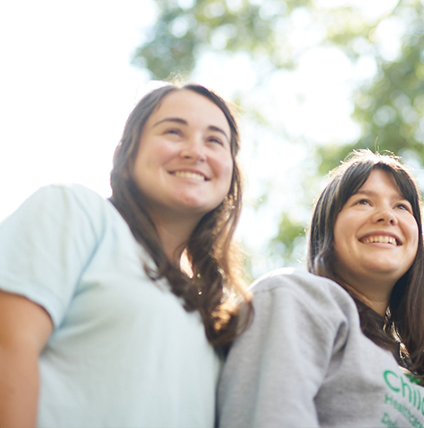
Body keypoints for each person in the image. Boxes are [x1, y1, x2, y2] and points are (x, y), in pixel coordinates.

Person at [0, 83, 251, 427]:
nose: (196, 151)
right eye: (174, 131)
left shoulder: (213, 312)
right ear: (126, 154)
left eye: (214, 140)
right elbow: (8, 345)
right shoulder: (75, 211)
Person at [218, 150, 424, 427]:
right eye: (363, 201)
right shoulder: (292, 298)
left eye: (401, 206)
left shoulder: (416, 368)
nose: (387, 215)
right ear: (327, 226)